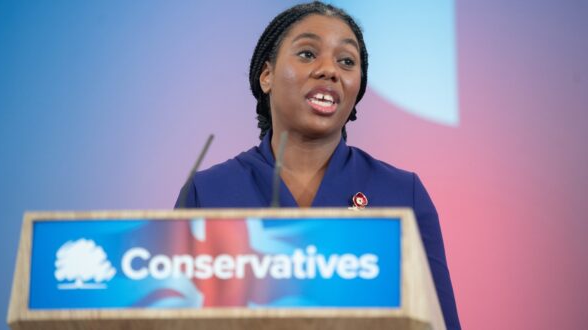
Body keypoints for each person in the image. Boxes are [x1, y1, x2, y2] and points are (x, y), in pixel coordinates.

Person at [175, 2, 460, 328]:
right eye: (308, 54)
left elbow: (439, 323)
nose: (330, 70)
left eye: (347, 61)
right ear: (266, 75)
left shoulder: (401, 192)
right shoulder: (209, 191)